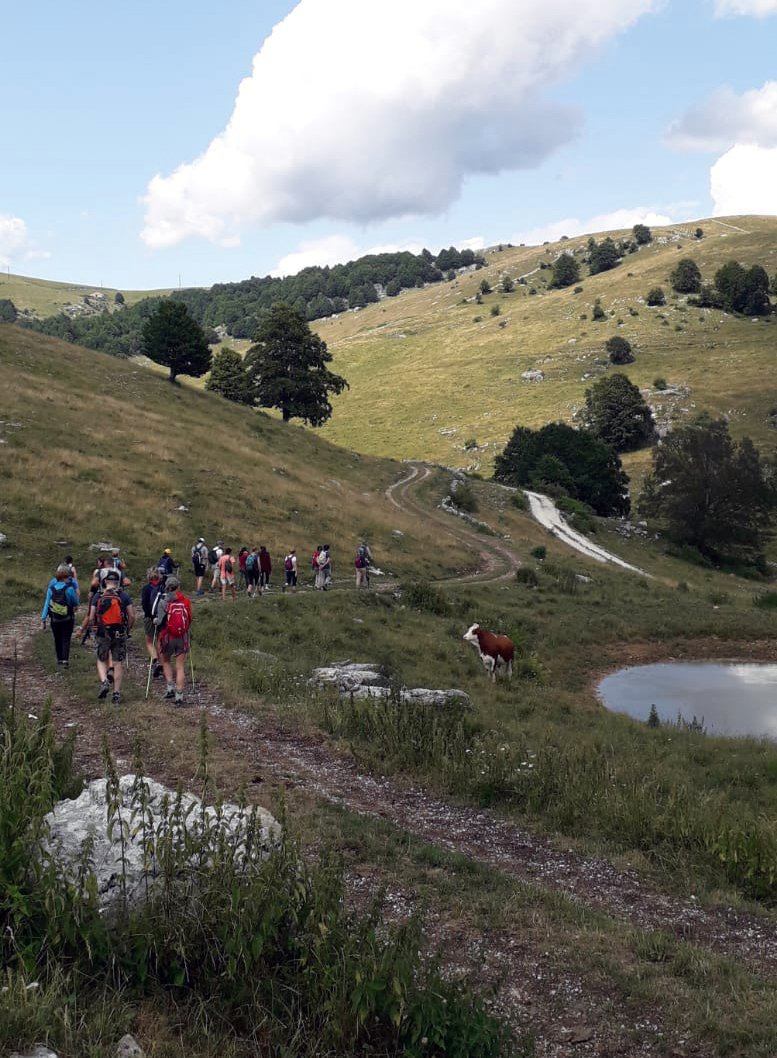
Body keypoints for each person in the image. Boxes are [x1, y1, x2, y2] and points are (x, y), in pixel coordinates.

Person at [86, 569, 134, 704]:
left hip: (102, 632)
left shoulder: (98, 596)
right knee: (118, 662)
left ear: (105, 581)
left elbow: (91, 617)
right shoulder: (123, 596)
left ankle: (104, 681)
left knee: (101, 659)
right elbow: (132, 616)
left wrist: (93, 628)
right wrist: (127, 629)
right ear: (118, 582)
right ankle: (116, 693)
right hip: (119, 632)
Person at [154, 575, 193, 706]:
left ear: (167, 588)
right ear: (178, 587)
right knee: (180, 666)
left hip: (167, 637)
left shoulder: (163, 602)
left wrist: (155, 621)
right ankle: (179, 695)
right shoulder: (186, 601)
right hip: (182, 636)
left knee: (165, 661)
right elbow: (190, 619)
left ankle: (170, 687)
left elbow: (159, 622)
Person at [41, 563, 80, 668]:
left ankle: (59, 659)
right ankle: (65, 660)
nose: (69, 579)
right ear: (64, 578)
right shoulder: (70, 589)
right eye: (68, 577)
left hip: (54, 619)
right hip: (68, 618)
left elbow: (46, 604)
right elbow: (75, 602)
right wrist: (74, 604)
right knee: (66, 638)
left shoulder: (51, 589)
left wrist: (43, 618)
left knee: (57, 638)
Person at [140, 566, 165, 680]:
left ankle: (155, 660)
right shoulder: (163, 587)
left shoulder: (146, 588)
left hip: (149, 618)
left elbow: (144, 605)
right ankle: (162, 663)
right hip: (162, 618)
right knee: (160, 641)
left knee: (149, 641)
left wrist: (149, 616)